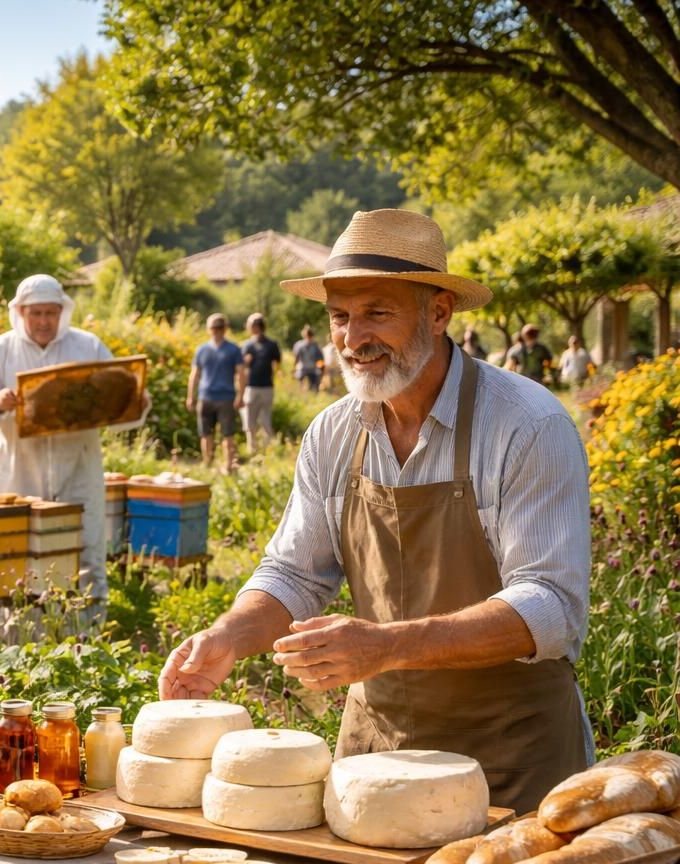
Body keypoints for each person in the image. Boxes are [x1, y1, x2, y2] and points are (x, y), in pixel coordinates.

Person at [157, 209, 593, 814]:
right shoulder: (332, 433)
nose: (352, 337)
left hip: (514, 760)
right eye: (340, 316)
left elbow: (549, 607)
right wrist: (228, 636)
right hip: (374, 762)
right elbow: (294, 574)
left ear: (439, 312)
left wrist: (387, 645)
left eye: (377, 312)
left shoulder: (528, 425)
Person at [0, 274, 146, 608]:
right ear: (20, 313)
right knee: (18, 551)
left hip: (78, 467)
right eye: (36, 313)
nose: (44, 321)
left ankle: (87, 635)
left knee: (86, 550)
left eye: (50, 313)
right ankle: (20, 637)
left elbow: (121, 402)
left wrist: (135, 401)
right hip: (18, 471)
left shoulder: (88, 346)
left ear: (62, 312)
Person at [187, 313, 245, 472]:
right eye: (213, 327)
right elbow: (194, 375)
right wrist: (190, 396)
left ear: (225, 329)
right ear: (208, 329)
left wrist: (241, 396)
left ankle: (228, 467)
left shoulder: (233, 349)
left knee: (228, 434)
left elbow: (241, 373)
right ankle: (208, 463)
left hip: (226, 398)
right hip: (205, 397)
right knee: (205, 433)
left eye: (219, 327)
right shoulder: (201, 349)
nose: (216, 331)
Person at [240, 314, 281, 452]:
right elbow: (241, 368)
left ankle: (267, 449)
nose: (248, 327)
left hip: (267, 387)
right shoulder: (246, 345)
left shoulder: (271, 344)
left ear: (257, 326)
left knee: (265, 420)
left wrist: (274, 375)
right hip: (250, 386)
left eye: (250, 325)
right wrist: (246, 363)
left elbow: (277, 363)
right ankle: (251, 448)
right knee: (249, 419)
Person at [291, 325, 323, 393]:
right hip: (303, 368)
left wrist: (321, 369)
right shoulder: (300, 345)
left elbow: (320, 359)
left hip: (313, 368)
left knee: (314, 384)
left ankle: (313, 393)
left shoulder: (315, 345)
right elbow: (296, 358)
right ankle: (302, 393)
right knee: (300, 381)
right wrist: (294, 369)